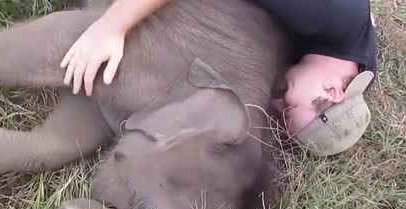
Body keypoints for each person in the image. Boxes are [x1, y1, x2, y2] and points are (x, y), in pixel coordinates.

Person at [60, 0, 378, 157]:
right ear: (334, 92)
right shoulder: (322, 13)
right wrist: (112, 27)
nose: (275, 102)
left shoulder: (357, 70)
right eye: (289, 108)